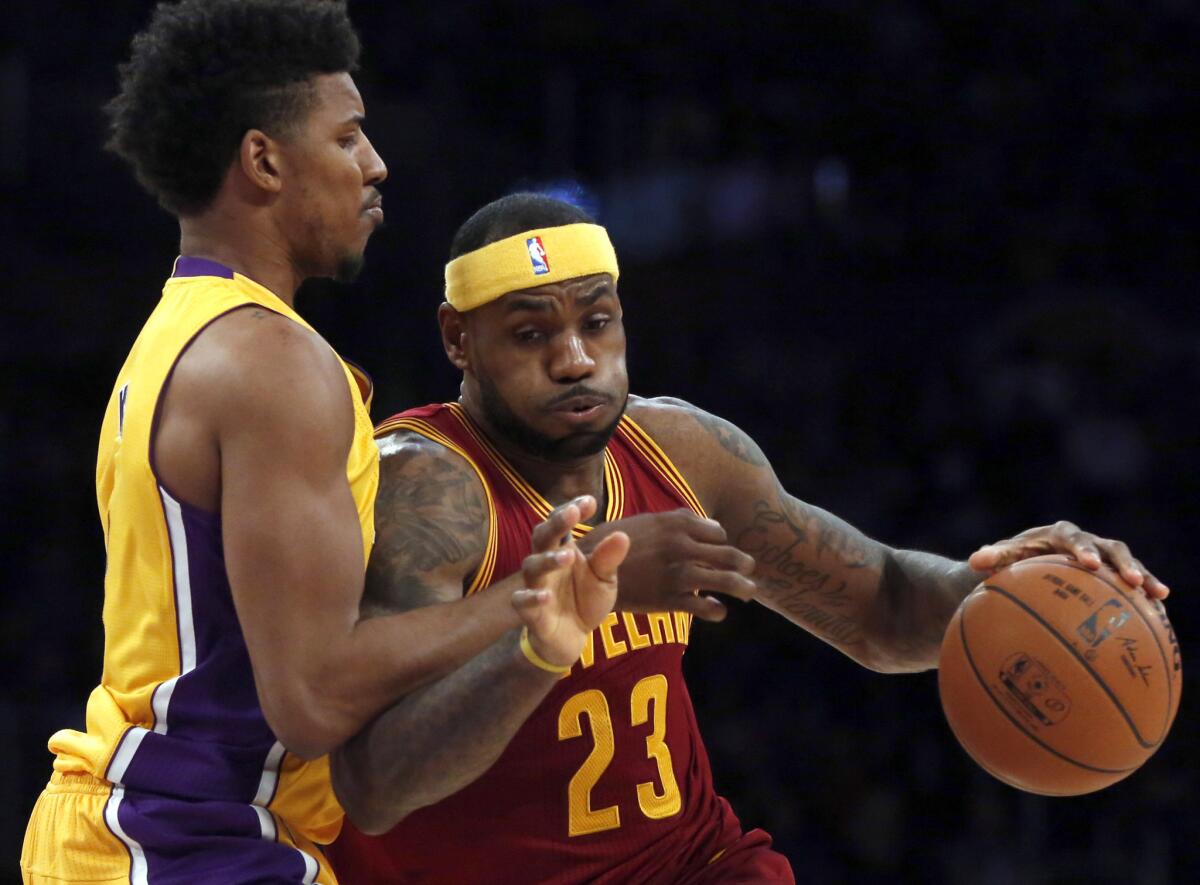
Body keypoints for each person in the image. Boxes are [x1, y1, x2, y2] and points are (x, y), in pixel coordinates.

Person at [325, 192, 1170, 884]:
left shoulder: (683, 449)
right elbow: (375, 784)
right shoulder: (426, 491)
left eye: (599, 321)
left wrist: (1002, 583)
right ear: (457, 340)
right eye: (531, 332)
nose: (577, 359)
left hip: (689, 865)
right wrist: (547, 634)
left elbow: (878, 605)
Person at [19, 5, 631, 883]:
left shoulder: (186, 327)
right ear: (264, 161)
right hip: (186, 836)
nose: (375, 165)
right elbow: (310, 699)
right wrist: (523, 601)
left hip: (156, 827)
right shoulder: (272, 361)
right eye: (347, 139)